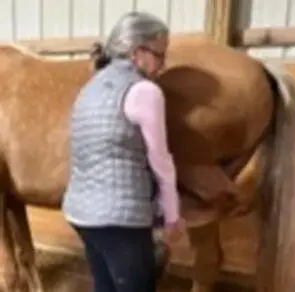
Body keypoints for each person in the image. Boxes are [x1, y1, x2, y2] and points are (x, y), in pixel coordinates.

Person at [61, 11, 184, 292]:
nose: (162, 66)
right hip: (120, 218)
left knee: (105, 286)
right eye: (159, 55)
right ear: (137, 52)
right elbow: (160, 160)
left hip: (81, 213)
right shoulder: (145, 91)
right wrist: (172, 214)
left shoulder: (90, 87)